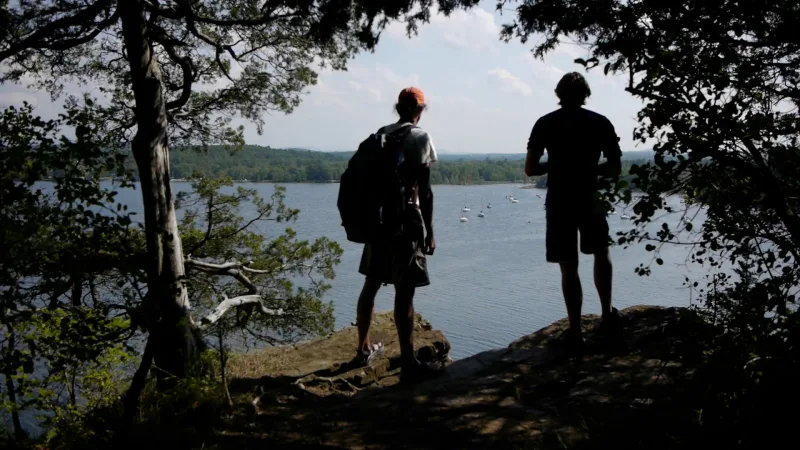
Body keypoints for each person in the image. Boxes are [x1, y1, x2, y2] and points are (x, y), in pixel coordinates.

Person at [524, 72, 626, 350]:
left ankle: (575, 330)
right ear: (586, 94)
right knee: (601, 254)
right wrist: (590, 170)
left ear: (558, 94)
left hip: (559, 200)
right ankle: (606, 315)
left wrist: (557, 167)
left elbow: (531, 169)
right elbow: (615, 169)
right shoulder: (600, 122)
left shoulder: (545, 123)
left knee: (568, 266)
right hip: (590, 197)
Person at [355, 87, 441, 383]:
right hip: (405, 222)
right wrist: (430, 232)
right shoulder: (420, 137)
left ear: (398, 108)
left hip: (378, 222)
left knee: (372, 282)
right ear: (420, 110)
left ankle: (362, 348)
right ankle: (408, 363)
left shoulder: (381, 133)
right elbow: (425, 191)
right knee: (404, 292)